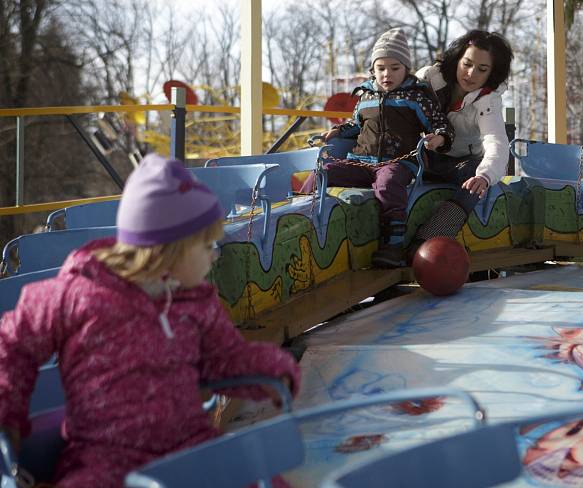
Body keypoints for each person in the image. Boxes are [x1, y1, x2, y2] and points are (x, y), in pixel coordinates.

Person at [0, 154, 301, 488]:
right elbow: (14, 343)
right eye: (208, 245)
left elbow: (224, 358)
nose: (215, 254)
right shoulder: (80, 292)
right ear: (169, 249)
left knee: (260, 480)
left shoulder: (195, 300)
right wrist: (7, 410)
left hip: (188, 446)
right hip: (105, 453)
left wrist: (274, 368)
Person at [303, 27, 454, 268]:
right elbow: (356, 125)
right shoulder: (365, 96)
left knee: (388, 183)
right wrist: (337, 132)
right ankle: (300, 219)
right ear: (373, 69)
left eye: (395, 68)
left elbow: (440, 124)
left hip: (398, 162)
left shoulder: (416, 97)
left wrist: (439, 138)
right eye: (381, 68)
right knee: (322, 171)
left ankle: (393, 244)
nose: (387, 74)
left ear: (406, 68)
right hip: (361, 160)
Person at [413, 30, 513, 245]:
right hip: (423, 157)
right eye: (466, 63)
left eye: (482, 69)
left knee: (474, 181)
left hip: (461, 165)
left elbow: (496, 141)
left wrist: (484, 176)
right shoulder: (427, 79)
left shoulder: (488, 101)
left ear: (492, 73)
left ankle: (431, 238)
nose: (471, 73)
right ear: (457, 58)